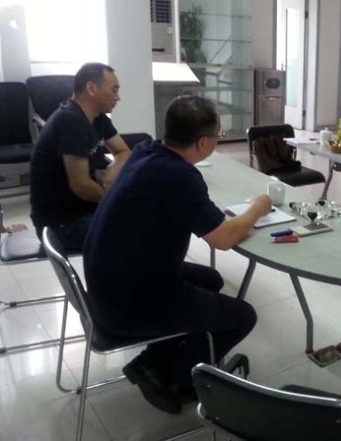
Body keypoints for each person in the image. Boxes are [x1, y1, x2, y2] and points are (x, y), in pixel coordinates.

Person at [83, 95, 271, 415]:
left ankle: (151, 361)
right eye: (218, 136)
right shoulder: (179, 177)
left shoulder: (145, 150)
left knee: (211, 279)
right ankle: (179, 380)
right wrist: (257, 208)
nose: (218, 140)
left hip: (108, 284)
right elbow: (223, 239)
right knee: (243, 316)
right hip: (128, 304)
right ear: (202, 142)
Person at [30, 62, 130, 251]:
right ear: (91, 88)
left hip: (82, 212)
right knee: (140, 228)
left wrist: (111, 172)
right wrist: (114, 200)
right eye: (114, 90)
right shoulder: (70, 121)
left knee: (143, 215)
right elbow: (81, 186)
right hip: (61, 226)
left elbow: (124, 152)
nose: (118, 97)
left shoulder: (98, 118)